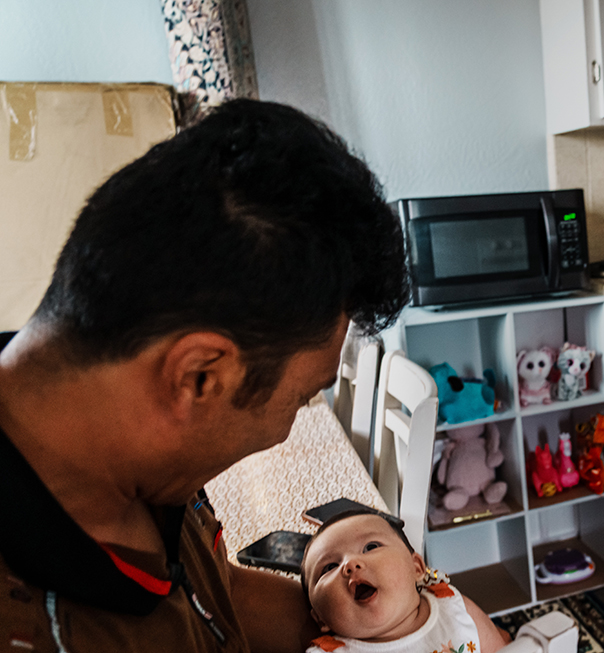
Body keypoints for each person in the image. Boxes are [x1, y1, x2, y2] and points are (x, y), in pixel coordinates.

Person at [0, 99, 409, 652]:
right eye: (300, 397)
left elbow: (218, 593)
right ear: (198, 376)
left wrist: (411, 625)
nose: (287, 427)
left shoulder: (133, 448)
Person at [300, 509, 510, 653]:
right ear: (320, 618)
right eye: (329, 567)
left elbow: (501, 648)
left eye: (371, 547)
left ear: (417, 568)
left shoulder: (452, 607)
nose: (350, 564)